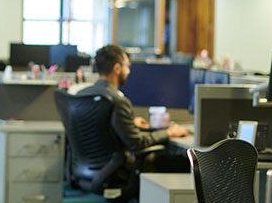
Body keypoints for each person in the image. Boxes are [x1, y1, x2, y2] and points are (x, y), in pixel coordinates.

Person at [77, 44, 190, 172]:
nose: (129, 71)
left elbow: (100, 127)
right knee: (185, 162)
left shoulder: (83, 94)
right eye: (127, 66)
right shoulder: (118, 101)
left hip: (92, 167)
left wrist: (129, 124)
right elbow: (137, 143)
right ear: (117, 68)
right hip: (120, 170)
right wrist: (169, 132)